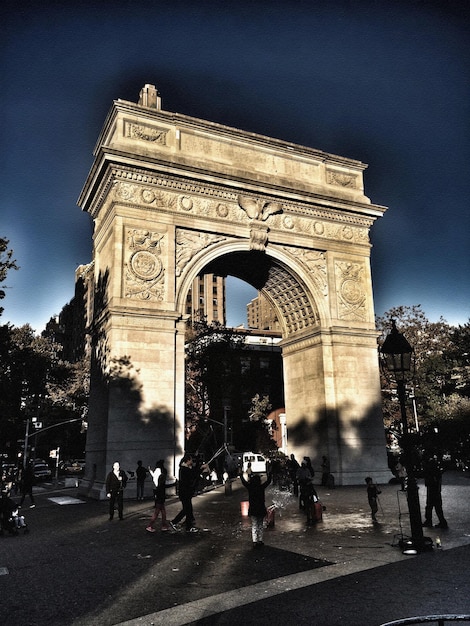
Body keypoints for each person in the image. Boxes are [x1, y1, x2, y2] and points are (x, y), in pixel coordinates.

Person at [170, 454, 209, 533]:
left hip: (185, 493)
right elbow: (193, 474)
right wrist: (201, 469)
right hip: (185, 493)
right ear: (187, 461)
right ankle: (177, 523)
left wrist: (200, 468)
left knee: (188, 509)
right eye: (191, 460)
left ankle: (187, 525)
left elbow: (193, 472)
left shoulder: (184, 468)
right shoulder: (184, 469)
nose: (192, 461)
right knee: (187, 509)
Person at [240, 471, 272, 548]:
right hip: (261, 508)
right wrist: (269, 474)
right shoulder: (261, 487)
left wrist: (241, 474)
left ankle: (255, 541)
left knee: (254, 525)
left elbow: (244, 482)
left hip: (253, 509)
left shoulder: (250, 487)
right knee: (260, 525)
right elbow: (268, 481)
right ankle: (260, 540)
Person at [422, 457, 448, 529]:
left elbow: (430, 480)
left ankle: (430, 521)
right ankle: (442, 522)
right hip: (435, 490)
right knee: (437, 507)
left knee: (430, 506)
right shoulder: (436, 471)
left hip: (432, 489)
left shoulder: (432, 472)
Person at [146, 460, 168, 532]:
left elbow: (155, 479)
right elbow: (162, 485)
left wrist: (150, 471)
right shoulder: (161, 474)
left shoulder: (157, 472)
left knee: (161, 511)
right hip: (161, 495)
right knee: (158, 512)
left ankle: (163, 525)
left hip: (158, 493)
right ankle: (151, 525)